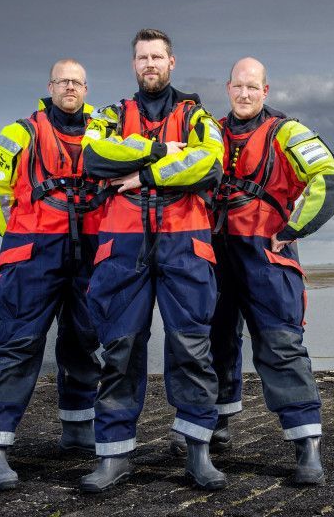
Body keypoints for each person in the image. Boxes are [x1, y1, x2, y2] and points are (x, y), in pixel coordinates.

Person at [79, 29, 226, 492]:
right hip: (122, 245)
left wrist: (142, 174)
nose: (150, 64)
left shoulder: (197, 115)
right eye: (142, 57)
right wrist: (163, 151)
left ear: (172, 62)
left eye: (157, 56)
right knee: (119, 350)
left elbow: (210, 162)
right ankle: (114, 456)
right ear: (133, 64)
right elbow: (93, 157)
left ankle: (197, 451)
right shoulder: (108, 114)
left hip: (186, 242)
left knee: (191, 349)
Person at [205, 57, 334, 484]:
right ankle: (218, 425)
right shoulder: (207, 132)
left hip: (266, 254)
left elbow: (329, 180)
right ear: (228, 88)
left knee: (281, 346)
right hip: (213, 253)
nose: (245, 94)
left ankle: (307, 447)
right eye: (238, 86)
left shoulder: (288, 132)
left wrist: (293, 228)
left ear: (266, 91)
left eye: (253, 87)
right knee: (213, 342)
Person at [0, 59, 104, 491]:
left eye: (77, 82)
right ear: (50, 86)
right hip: (33, 254)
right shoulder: (19, 132)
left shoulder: (105, 131)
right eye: (62, 81)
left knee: (85, 341)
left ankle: (77, 427)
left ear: (86, 89)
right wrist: (15, 238)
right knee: (18, 344)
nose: (70, 87)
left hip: (89, 250)